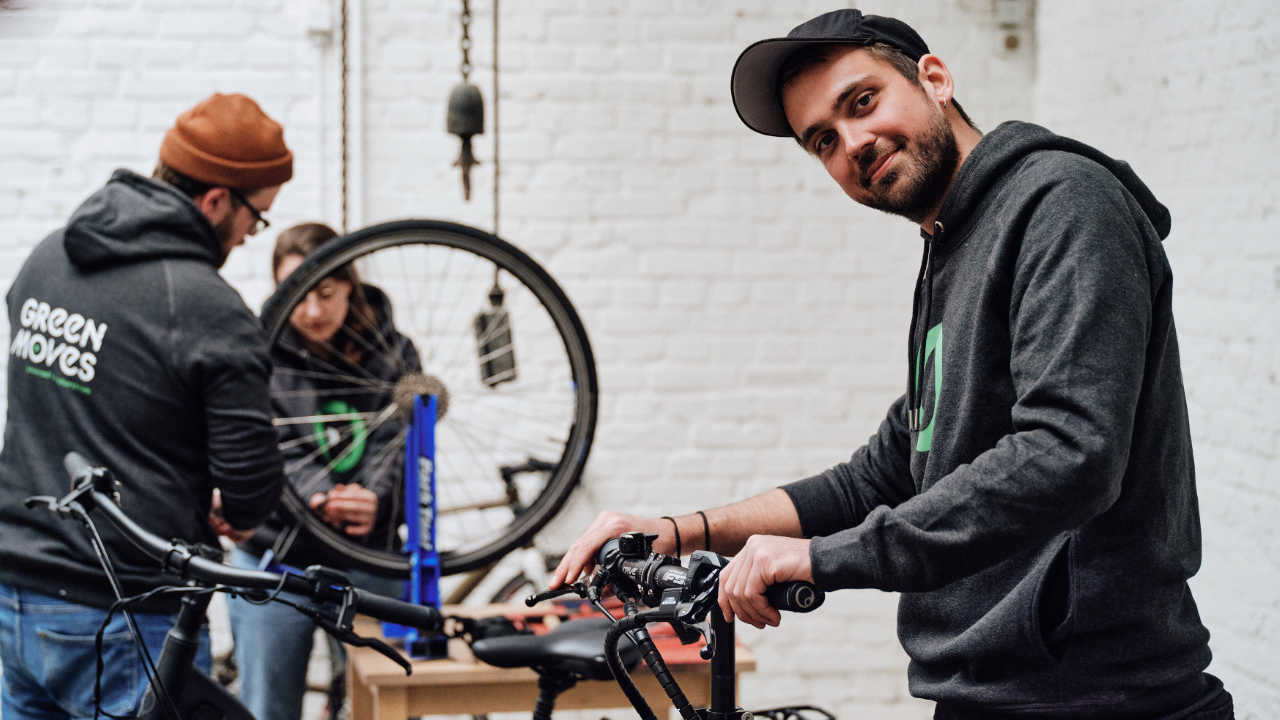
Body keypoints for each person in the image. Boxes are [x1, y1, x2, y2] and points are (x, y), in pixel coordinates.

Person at [552, 9, 1233, 719]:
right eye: (822, 140)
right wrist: (682, 529)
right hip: (988, 696)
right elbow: (886, 470)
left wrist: (824, 561)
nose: (852, 143)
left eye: (862, 101)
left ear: (934, 78)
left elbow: (1069, 453)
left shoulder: (1062, 204)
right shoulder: (952, 248)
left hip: (1103, 700)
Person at [0, 92, 291, 719]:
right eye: (255, 219)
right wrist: (233, 508)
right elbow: (250, 493)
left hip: (16, 594)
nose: (248, 238)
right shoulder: (207, 307)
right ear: (217, 200)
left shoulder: (48, 256)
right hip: (126, 613)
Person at [228, 222, 420, 720]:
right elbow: (263, 436)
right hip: (274, 555)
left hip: (367, 557)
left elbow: (399, 440)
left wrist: (374, 498)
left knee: (378, 709)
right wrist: (321, 496)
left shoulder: (395, 352)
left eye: (326, 294)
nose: (312, 311)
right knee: (268, 710)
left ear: (350, 287)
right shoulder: (255, 350)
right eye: (297, 295)